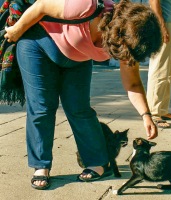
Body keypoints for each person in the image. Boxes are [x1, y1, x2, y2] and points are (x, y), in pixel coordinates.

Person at [4, 0, 162, 189]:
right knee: (42, 107)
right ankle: (41, 166)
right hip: (38, 44)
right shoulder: (85, 6)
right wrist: (16, 30)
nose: (125, 57)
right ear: (120, 32)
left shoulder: (129, 43)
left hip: (78, 58)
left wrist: (146, 115)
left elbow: (133, 82)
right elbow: (42, 6)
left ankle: (97, 162)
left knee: (79, 109)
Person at [146, 0, 171, 128]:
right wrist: (161, 26)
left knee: (169, 72)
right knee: (159, 69)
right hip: (165, 23)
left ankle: (162, 110)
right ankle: (154, 113)